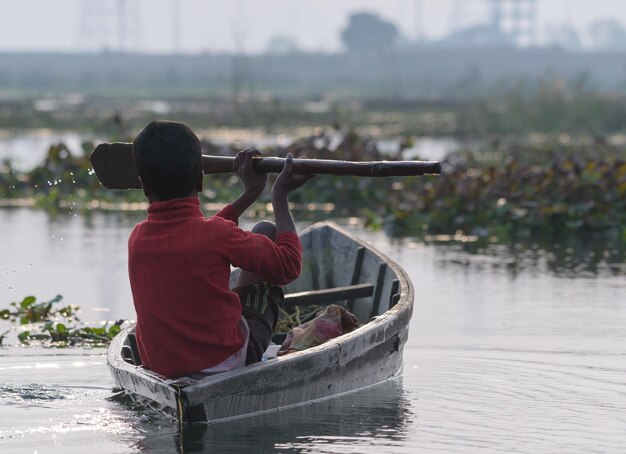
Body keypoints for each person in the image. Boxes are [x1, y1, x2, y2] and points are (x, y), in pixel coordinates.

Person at [128, 120, 314, 378]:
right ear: (200, 182)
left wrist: (249, 194)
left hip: (162, 366)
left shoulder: (137, 238)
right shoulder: (216, 235)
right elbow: (289, 266)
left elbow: (195, 233)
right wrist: (279, 197)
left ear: (144, 186)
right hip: (224, 360)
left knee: (255, 236)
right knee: (267, 232)